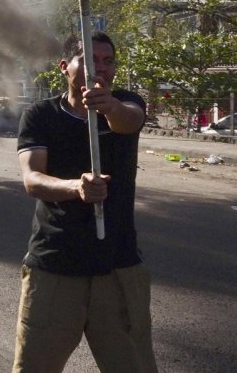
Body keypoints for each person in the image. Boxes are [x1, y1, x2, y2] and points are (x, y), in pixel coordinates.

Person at [13, 32, 156, 373]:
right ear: (65, 67)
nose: (101, 70)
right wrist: (75, 188)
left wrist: (110, 108)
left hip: (118, 266)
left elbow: (130, 120)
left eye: (108, 62)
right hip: (55, 264)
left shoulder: (126, 102)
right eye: (91, 61)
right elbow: (33, 178)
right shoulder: (40, 115)